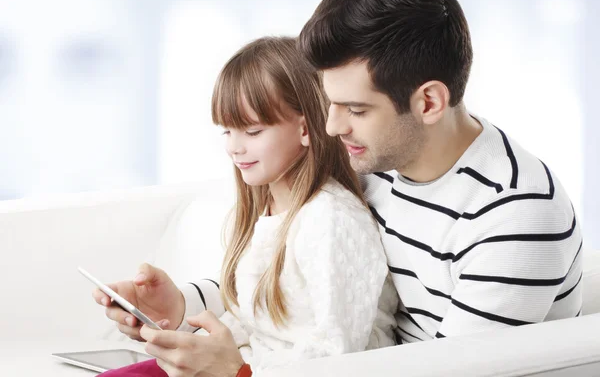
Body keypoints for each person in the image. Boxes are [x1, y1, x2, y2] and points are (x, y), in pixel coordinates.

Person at [98, 0, 583, 375]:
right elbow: (285, 285)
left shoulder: (514, 214)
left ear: (429, 102)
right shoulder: (377, 163)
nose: (330, 127)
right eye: (328, 101)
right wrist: (179, 304)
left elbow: (448, 372)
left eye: (355, 109)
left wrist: (239, 373)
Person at [94, 36, 397, 376]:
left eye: (252, 131)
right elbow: (257, 325)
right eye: (228, 132)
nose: (234, 148)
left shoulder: (330, 221)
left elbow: (336, 355)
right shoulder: (267, 209)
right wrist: (183, 328)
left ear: (305, 129)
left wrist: (236, 368)